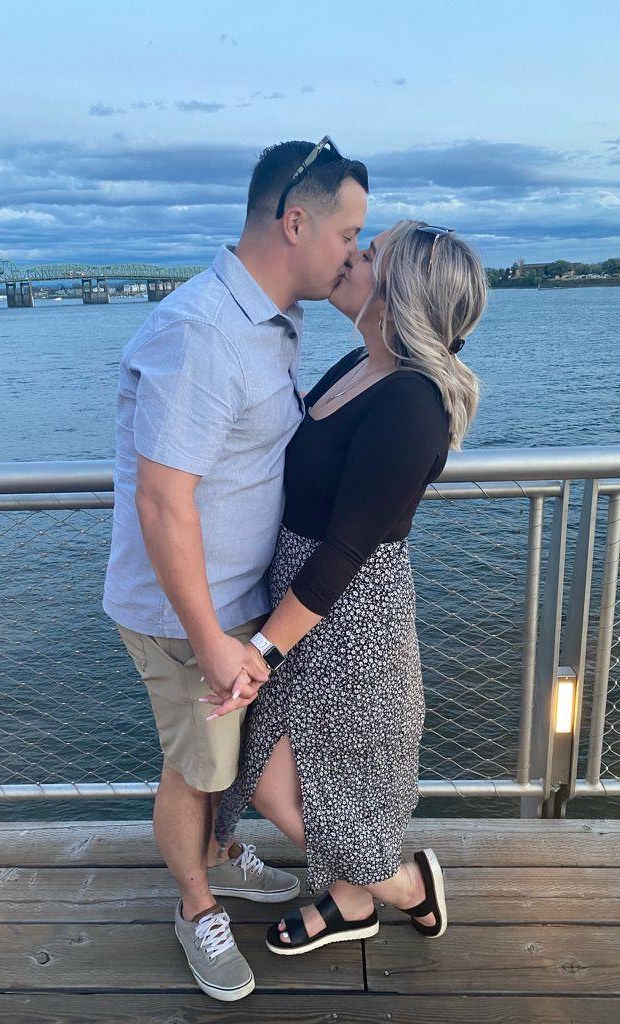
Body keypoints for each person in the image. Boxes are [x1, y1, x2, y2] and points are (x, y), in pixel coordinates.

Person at [102, 138, 369, 1001]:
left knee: (229, 756)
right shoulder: (202, 332)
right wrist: (212, 639)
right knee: (198, 768)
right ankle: (196, 906)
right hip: (191, 615)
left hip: (238, 601)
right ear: (295, 222)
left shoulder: (271, 322)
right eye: (347, 235)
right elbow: (162, 502)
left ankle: (219, 853)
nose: (353, 256)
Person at [210, 219, 487, 956]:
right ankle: (358, 897)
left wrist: (261, 652)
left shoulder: (412, 405)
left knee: (286, 778)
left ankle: (401, 888)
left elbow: (345, 551)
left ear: (396, 295)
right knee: (292, 771)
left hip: (350, 616)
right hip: (304, 600)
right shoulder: (359, 364)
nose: (348, 259)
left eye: (366, 256)